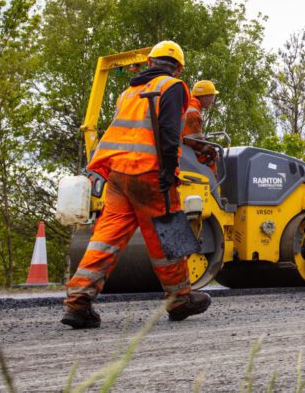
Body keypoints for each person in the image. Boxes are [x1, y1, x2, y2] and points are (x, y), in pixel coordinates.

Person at [63, 41, 210, 328]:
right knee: (168, 234)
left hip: (117, 174)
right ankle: (180, 299)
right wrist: (169, 170)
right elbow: (169, 131)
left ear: (150, 62)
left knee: (106, 237)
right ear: (178, 67)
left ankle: (78, 301)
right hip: (149, 173)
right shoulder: (174, 86)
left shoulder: (128, 93)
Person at [182, 80, 219, 173]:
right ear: (204, 97)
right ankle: (213, 186)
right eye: (212, 97)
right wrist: (212, 151)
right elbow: (193, 141)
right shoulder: (193, 112)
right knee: (210, 159)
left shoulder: (189, 106)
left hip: (183, 150)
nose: (213, 101)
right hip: (186, 153)